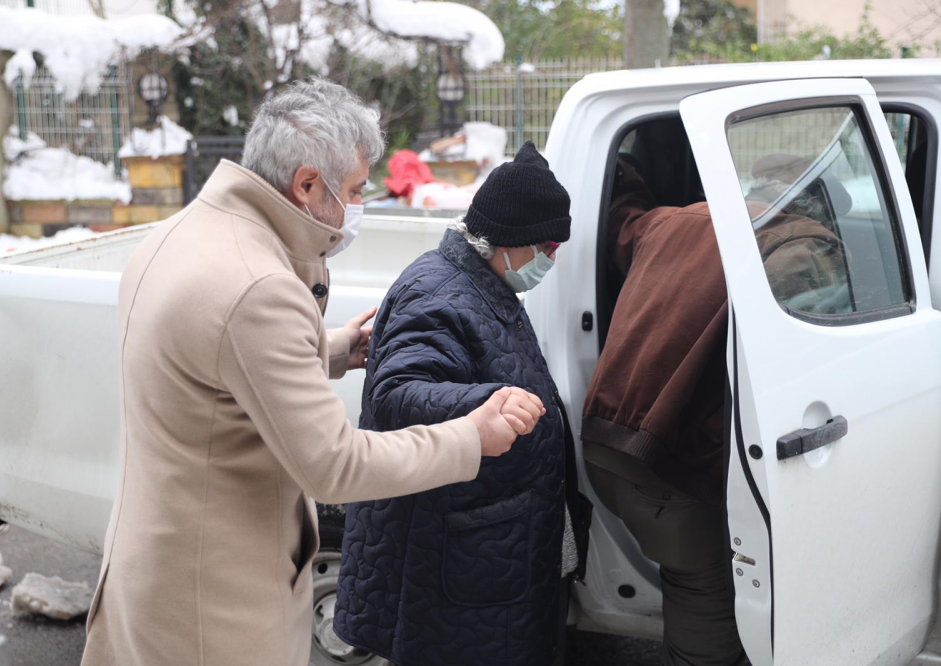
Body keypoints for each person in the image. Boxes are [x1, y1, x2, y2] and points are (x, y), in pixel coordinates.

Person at [80, 80, 546, 666]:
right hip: (214, 602)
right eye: (352, 190)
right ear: (306, 184)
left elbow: (209, 356)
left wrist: (331, 350)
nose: (358, 205)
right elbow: (335, 465)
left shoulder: (182, 233)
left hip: (154, 562)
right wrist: (469, 437)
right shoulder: (261, 286)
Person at [581, 153, 849, 666]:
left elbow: (622, 222)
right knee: (705, 617)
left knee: (697, 583)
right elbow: (802, 351)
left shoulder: (675, 219)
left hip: (608, 446)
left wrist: (625, 173)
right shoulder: (800, 246)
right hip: (671, 470)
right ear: (817, 206)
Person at [334, 142, 591, 666]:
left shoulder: (483, 283)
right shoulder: (440, 294)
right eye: (546, 245)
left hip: (488, 546)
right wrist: (486, 400)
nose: (552, 257)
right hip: (461, 555)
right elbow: (397, 394)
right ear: (509, 240)